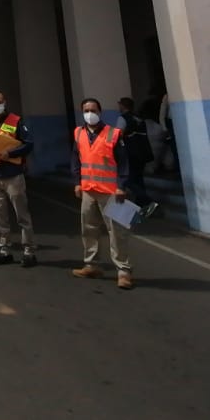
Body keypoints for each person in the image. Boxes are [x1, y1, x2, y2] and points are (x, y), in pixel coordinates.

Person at [71, 97, 133, 289]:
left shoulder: (113, 134)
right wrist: (77, 183)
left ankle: (123, 271)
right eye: (86, 110)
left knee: (117, 233)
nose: (90, 113)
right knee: (88, 228)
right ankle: (91, 265)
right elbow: (76, 159)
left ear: (100, 112)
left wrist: (121, 185)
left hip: (111, 192)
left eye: (94, 110)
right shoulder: (78, 133)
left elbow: (123, 163)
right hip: (88, 189)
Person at [0, 90, 37, 267]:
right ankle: (4, 250)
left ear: (5, 102)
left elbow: (29, 144)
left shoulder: (16, 121)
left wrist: (10, 153)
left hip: (13, 176)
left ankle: (29, 251)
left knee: (22, 215)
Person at [118, 96, 158, 219]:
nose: (118, 107)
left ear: (123, 106)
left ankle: (148, 201)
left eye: (119, 105)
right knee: (138, 178)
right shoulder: (139, 118)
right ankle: (142, 206)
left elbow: (117, 135)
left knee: (128, 179)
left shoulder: (123, 118)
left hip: (131, 153)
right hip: (143, 152)